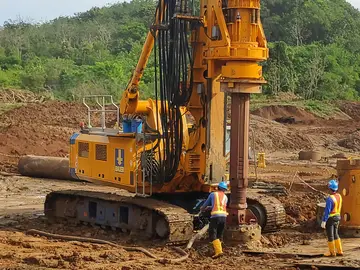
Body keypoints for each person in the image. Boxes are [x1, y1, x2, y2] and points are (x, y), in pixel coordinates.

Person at [200, 181, 228, 258]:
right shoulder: (225, 197)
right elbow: (219, 205)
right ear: (225, 190)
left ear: (217, 188)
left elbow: (205, 204)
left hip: (215, 217)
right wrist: (210, 207)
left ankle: (219, 252)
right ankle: (220, 250)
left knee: (213, 234)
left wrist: (202, 209)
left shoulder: (213, 194)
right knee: (220, 234)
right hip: (224, 217)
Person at [321, 179, 343, 257]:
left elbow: (327, 211)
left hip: (330, 219)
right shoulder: (339, 196)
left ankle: (332, 252)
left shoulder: (330, 199)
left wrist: (324, 221)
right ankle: (340, 251)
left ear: (330, 188)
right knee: (336, 234)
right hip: (338, 217)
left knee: (330, 235)